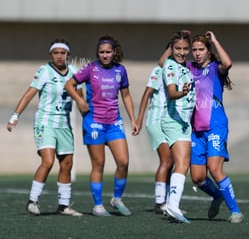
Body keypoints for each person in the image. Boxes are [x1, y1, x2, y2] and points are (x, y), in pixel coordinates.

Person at [6, 39, 83, 216]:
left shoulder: (74, 72)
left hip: (64, 125)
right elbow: (29, 94)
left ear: (68, 55)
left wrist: (89, 117)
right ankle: (32, 201)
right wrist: (15, 116)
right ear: (51, 55)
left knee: (67, 164)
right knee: (48, 161)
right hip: (45, 122)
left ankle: (63, 205)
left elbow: (80, 100)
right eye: (55, 53)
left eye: (62, 53)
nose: (59, 56)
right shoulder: (44, 71)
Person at [64, 35, 139, 216]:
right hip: (94, 122)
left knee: (123, 162)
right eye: (102, 52)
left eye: (108, 52)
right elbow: (69, 84)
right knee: (99, 164)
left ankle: (117, 199)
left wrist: (133, 119)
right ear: (98, 53)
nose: (105, 55)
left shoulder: (121, 70)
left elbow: (126, 95)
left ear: (114, 52)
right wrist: (80, 101)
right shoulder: (90, 68)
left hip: (114, 122)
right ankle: (97, 205)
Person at [188, 31, 244, 223]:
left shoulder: (214, 68)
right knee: (197, 177)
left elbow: (228, 63)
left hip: (215, 125)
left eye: (201, 49)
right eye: (194, 50)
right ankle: (217, 195)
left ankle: (235, 211)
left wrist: (215, 40)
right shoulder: (188, 69)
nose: (197, 53)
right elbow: (164, 65)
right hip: (196, 128)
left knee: (214, 167)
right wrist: (177, 39)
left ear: (208, 51)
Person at [160, 30, 195, 223]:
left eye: (185, 48)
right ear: (171, 49)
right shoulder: (170, 66)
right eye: (177, 48)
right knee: (182, 164)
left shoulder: (186, 67)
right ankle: (172, 205)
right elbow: (172, 93)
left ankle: (171, 204)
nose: (181, 52)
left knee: (182, 164)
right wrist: (182, 92)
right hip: (174, 120)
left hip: (184, 122)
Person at [135, 63, 173, 214]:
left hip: (171, 124)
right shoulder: (159, 70)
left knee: (173, 162)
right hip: (156, 121)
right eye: (176, 48)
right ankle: (159, 202)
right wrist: (139, 119)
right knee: (167, 160)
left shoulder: (180, 71)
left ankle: (169, 201)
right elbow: (147, 94)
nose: (181, 52)